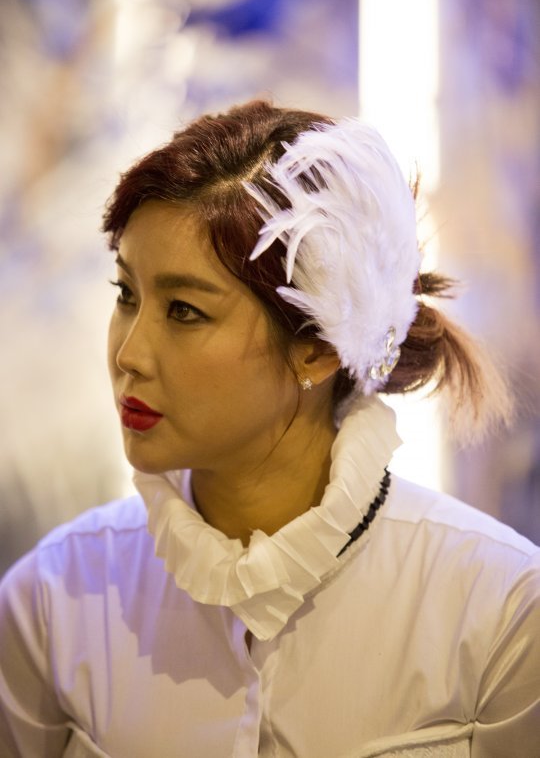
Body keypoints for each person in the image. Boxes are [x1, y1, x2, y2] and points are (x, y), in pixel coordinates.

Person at [0, 100, 538, 758]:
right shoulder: (53, 599)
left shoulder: (499, 606)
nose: (129, 354)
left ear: (318, 349)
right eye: (126, 295)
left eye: (185, 311)